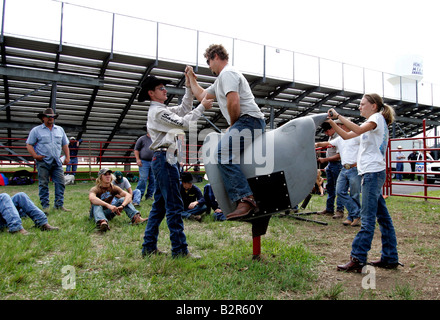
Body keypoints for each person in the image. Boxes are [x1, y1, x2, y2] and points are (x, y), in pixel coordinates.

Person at [186, 44, 266, 221]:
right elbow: (203, 96)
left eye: (208, 61)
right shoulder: (222, 78)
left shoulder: (228, 74)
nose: (208, 66)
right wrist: (191, 79)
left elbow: (234, 102)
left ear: (215, 56)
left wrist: (233, 125)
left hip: (248, 120)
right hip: (247, 120)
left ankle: (246, 199)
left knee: (222, 153)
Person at [139, 73, 213, 258]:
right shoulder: (158, 112)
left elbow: (184, 108)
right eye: (160, 88)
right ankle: (179, 250)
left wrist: (188, 87)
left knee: (160, 206)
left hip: (164, 159)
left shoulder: (161, 110)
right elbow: (184, 123)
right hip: (166, 160)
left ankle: (149, 247)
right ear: (151, 93)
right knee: (173, 206)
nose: (165, 90)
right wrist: (203, 106)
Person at [327, 93, 401, 272]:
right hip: (372, 172)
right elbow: (346, 136)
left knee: (368, 219)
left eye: (362, 104)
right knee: (382, 217)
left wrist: (338, 116)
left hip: (372, 173)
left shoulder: (375, 118)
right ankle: (390, 257)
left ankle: (358, 258)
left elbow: (358, 130)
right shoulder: (373, 124)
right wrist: (331, 122)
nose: (360, 107)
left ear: (374, 106)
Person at [316, 120, 362, 227]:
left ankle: (352, 216)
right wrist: (316, 144)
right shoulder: (340, 139)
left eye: (340, 125)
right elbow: (327, 144)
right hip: (344, 168)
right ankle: (356, 214)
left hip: (354, 168)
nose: (338, 127)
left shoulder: (357, 136)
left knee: (353, 194)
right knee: (340, 191)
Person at [26, 108, 71, 213]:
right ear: (43, 118)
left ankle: (59, 205)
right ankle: (45, 207)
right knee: (43, 184)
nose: (51, 118)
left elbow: (65, 144)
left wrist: (67, 157)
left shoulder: (60, 129)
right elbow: (29, 144)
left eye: (52, 117)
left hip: (57, 161)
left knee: (60, 183)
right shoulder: (36, 130)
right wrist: (35, 156)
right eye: (48, 116)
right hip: (43, 161)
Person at [316, 122, 345, 219]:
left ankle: (340, 210)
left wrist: (325, 160)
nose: (326, 133)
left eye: (327, 131)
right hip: (331, 165)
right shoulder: (332, 136)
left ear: (332, 128)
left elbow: (339, 156)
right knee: (330, 187)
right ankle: (329, 208)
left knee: (339, 188)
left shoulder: (339, 137)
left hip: (337, 164)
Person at [134, 133, 155, 202]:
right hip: (144, 162)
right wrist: (138, 159)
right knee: (143, 179)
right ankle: (138, 196)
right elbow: (136, 149)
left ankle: (149, 196)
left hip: (154, 161)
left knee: (153, 179)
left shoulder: (156, 138)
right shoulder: (142, 139)